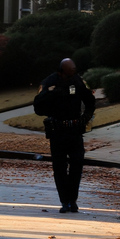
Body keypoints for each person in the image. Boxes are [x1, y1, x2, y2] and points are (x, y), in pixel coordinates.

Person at [33, 58, 96, 214]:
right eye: (70, 70)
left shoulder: (78, 81)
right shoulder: (49, 82)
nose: (73, 72)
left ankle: (73, 200)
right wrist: (52, 94)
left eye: (74, 69)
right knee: (60, 168)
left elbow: (90, 101)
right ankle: (64, 201)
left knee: (76, 166)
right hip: (58, 132)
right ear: (62, 71)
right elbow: (38, 107)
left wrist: (86, 117)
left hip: (74, 131)